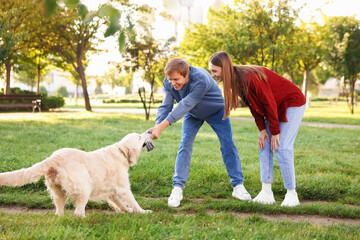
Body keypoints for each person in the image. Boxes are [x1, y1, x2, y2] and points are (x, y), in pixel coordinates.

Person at [148, 57, 251, 208]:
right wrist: (157, 125)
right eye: (170, 79)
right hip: (193, 114)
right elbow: (166, 106)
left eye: (176, 79)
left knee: (227, 144)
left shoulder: (200, 78)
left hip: (216, 111)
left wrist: (161, 127)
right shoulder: (168, 82)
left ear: (186, 74)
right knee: (185, 144)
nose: (172, 83)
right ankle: (177, 188)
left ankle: (238, 186)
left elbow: (185, 104)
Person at [208, 51, 306, 207]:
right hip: (274, 106)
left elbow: (269, 103)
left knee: (281, 146)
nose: (212, 75)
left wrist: (275, 131)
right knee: (265, 144)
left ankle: (291, 194)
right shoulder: (236, 80)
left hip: (291, 102)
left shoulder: (249, 77)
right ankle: (266, 192)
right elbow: (254, 106)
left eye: (214, 71)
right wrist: (262, 130)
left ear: (224, 68)